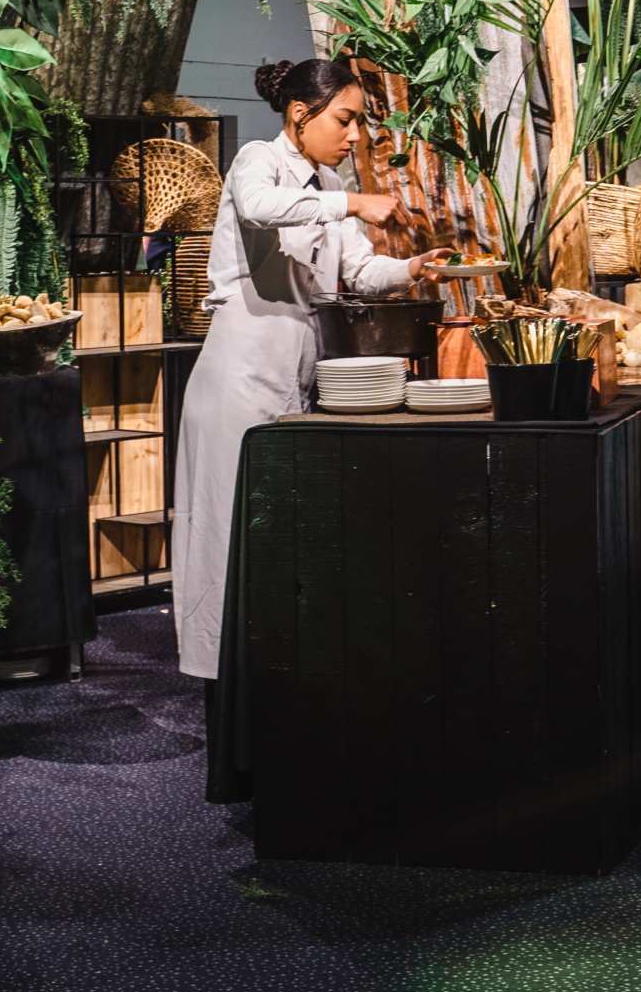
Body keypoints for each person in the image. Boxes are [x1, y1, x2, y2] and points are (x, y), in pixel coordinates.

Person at [170, 58, 449, 682]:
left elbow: (359, 271)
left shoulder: (326, 184)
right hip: (241, 373)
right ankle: (224, 673)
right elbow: (260, 207)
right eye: (345, 120)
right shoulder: (258, 162)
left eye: (358, 123)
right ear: (300, 114)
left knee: (285, 529)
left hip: (299, 374)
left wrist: (413, 269)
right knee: (229, 524)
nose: (354, 136)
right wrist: (352, 201)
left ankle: (278, 669)